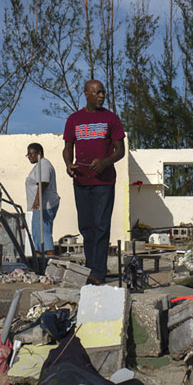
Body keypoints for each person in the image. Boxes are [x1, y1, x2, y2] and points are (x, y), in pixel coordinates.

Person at [63, 79, 125, 285]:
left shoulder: (111, 118)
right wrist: (68, 164)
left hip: (104, 183)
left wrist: (105, 162)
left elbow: (120, 150)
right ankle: (91, 269)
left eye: (103, 92)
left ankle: (98, 272)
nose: (101, 96)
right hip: (81, 182)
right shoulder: (74, 119)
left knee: (101, 227)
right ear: (86, 94)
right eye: (97, 92)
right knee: (86, 227)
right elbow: (67, 148)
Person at [25, 142, 60, 256]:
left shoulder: (43, 164)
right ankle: (39, 258)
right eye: (28, 155)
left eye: (31, 154)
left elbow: (43, 183)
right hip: (40, 206)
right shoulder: (39, 165)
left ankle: (49, 259)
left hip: (44, 205)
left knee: (44, 233)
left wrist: (37, 201)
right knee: (37, 233)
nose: (29, 157)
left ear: (39, 153)